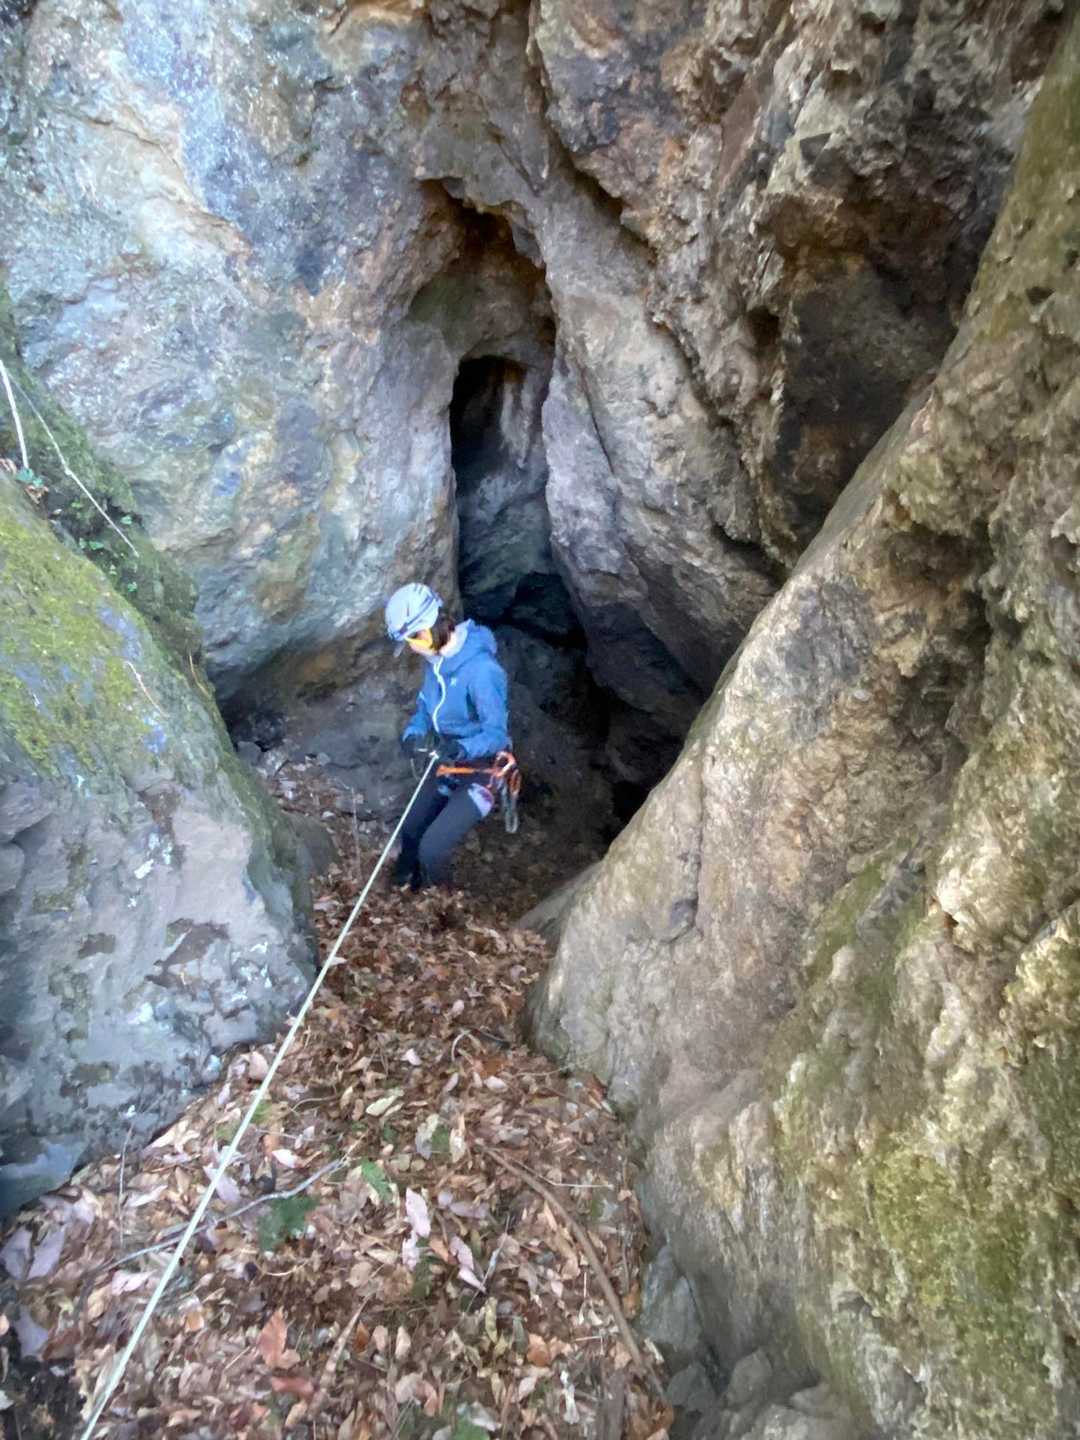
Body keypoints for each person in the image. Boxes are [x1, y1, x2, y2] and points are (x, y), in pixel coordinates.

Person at [384, 582, 511, 891]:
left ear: (425, 632)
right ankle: (403, 880)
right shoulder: (436, 663)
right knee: (411, 827)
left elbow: (496, 734)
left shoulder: (482, 671)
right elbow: (425, 710)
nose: (411, 648)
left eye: (411, 640)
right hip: (448, 760)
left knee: (432, 848)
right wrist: (413, 735)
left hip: (482, 770)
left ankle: (437, 897)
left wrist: (458, 748)